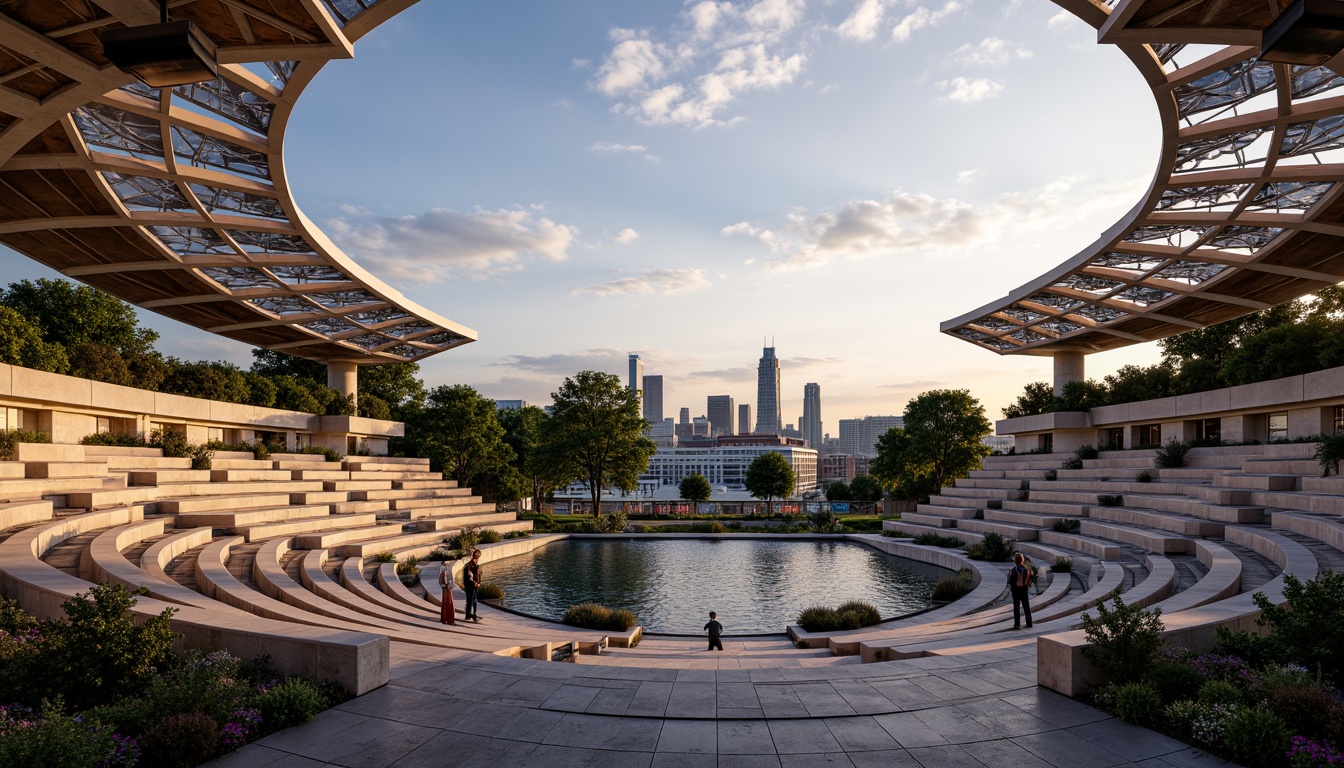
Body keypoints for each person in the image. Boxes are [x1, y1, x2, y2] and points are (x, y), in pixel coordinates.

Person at [1007, 552, 1033, 629]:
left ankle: (1017, 624)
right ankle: (1029, 623)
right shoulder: (1026, 569)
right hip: (1024, 590)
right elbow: (1031, 578)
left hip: (1016, 591)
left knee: (1016, 608)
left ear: (1015, 561)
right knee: (1026, 607)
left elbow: (1011, 581)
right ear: (1022, 560)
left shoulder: (1014, 570)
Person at [463, 549, 482, 622]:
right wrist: (475, 583)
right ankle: (471, 614)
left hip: (472, 585)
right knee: (471, 600)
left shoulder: (475, 564)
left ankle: (471, 614)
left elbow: (478, 575)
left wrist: (478, 582)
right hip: (470, 586)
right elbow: (470, 576)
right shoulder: (469, 565)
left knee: (473, 600)